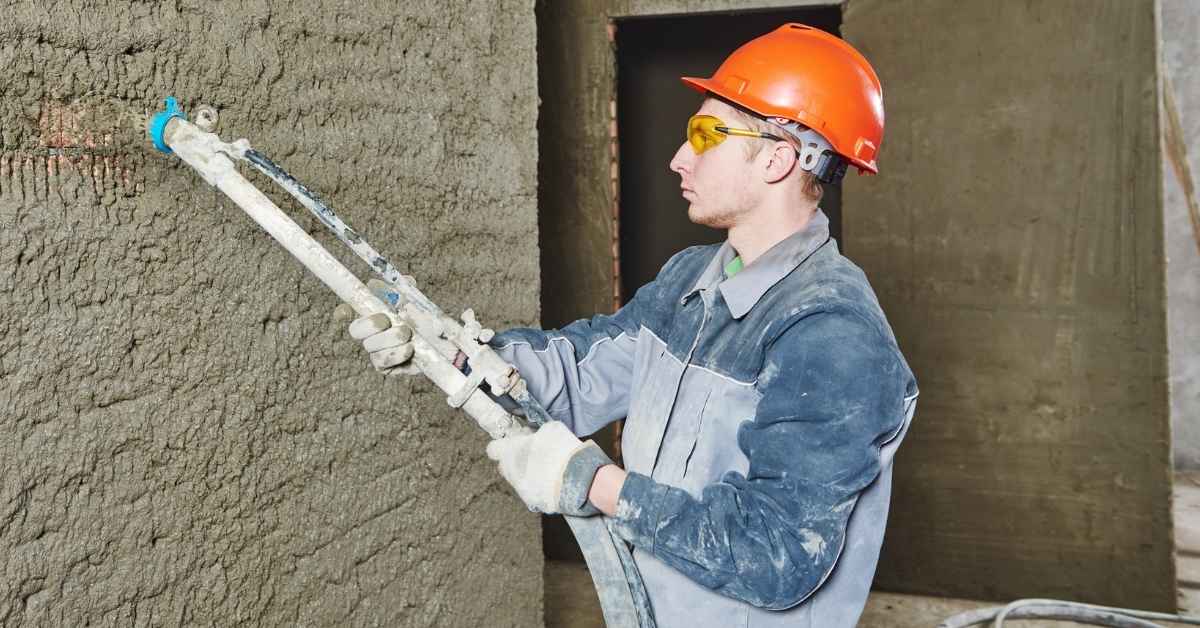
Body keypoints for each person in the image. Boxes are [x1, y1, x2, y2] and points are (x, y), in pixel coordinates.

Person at [347, 23, 918, 628]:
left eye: (705, 135)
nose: (679, 158)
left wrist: (593, 482)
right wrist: (451, 351)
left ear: (777, 159)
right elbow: (580, 374)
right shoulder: (690, 280)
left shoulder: (832, 333)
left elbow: (777, 554)